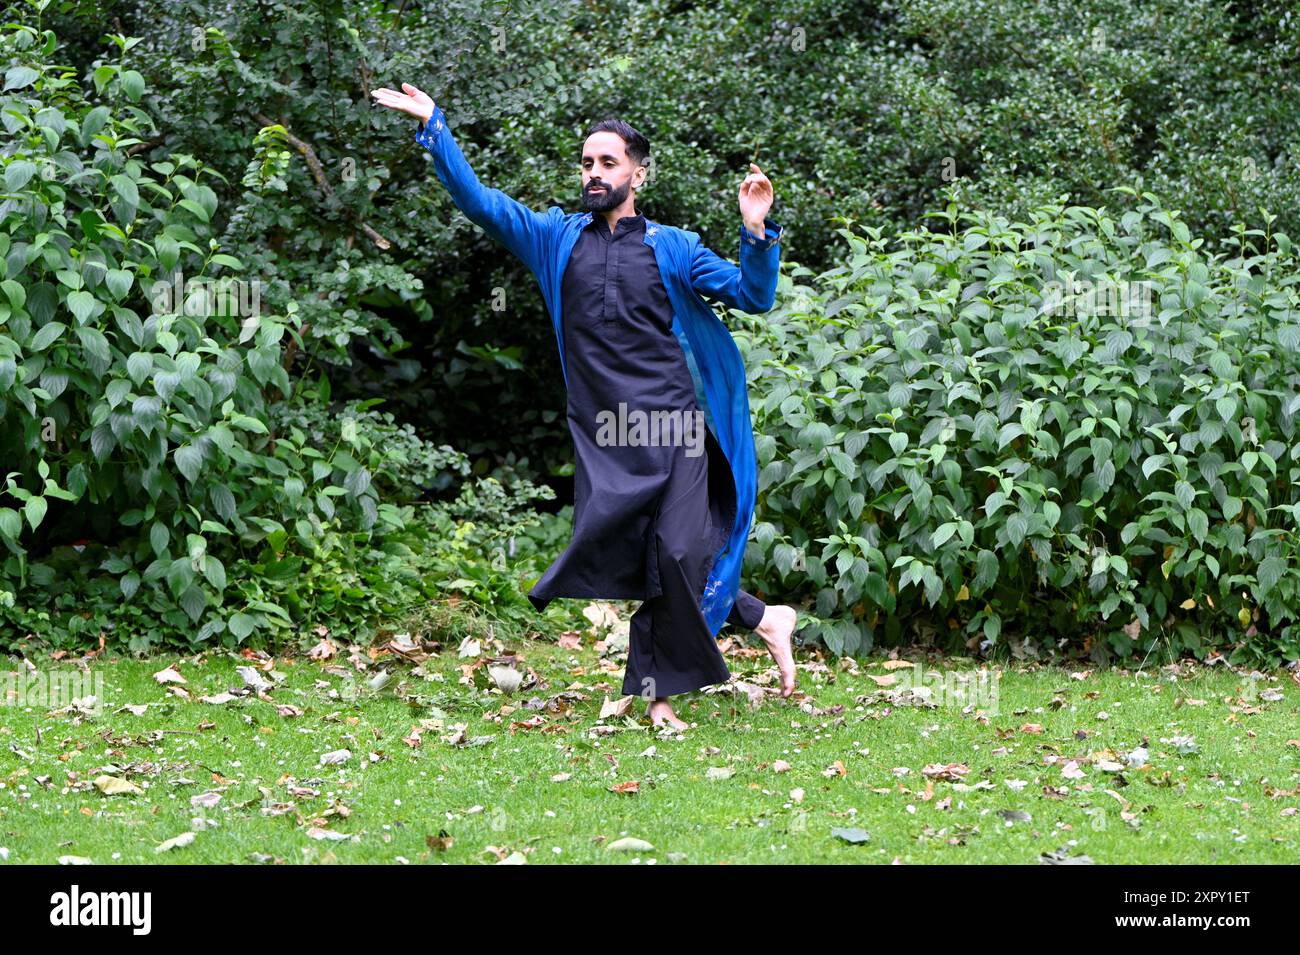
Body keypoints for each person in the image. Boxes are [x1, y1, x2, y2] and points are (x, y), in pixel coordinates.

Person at [371, 83, 798, 729]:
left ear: (637, 172)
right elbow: (481, 204)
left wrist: (756, 233)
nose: (594, 174)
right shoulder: (555, 237)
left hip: (677, 422)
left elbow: (752, 296)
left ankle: (657, 699)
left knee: (679, 552)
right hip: (609, 431)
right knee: (641, 554)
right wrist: (437, 127)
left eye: (608, 163)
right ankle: (763, 617)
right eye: (587, 163)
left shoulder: (674, 246)